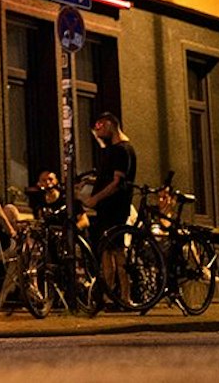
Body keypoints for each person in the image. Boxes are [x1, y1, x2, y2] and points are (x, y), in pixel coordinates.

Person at [80, 112, 136, 304]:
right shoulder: (116, 150)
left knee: (116, 252)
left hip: (114, 208)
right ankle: (110, 295)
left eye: (100, 127)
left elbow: (116, 182)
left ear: (111, 124)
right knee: (108, 251)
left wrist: (95, 198)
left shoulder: (121, 150)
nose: (98, 132)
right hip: (109, 208)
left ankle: (123, 296)